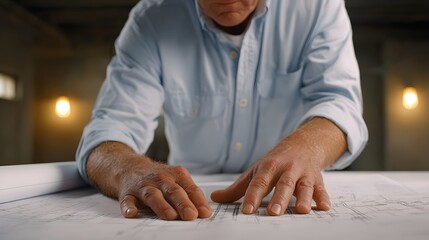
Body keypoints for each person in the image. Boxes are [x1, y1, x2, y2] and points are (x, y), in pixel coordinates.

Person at [76, 0, 368, 221]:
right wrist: (129, 169)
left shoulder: (317, 7)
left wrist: (307, 147)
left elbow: (340, 102)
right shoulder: (151, 19)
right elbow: (110, 126)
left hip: (285, 195)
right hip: (188, 198)